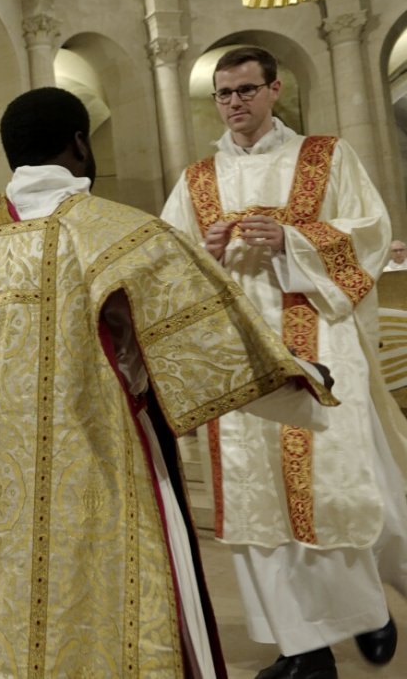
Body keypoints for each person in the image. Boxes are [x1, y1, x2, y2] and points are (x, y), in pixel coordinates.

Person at [0, 86, 337, 678]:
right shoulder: (122, 234)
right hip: (103, 467)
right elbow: (209, 347)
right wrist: (304, 376)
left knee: (15, 620)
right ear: (80, 144)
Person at [162, 46, 407, 678]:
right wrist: (205, 249)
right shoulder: (197, 180)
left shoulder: (326, 156)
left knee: (334, 482)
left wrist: (294, 239)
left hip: (320, 339)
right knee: (256, 501)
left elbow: (372, 232)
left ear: (275, 90)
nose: (234, 103)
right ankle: (302, 646)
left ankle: (366, 610)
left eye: (246, 90)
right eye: (223, 94)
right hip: (240, 358)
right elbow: (167, 263)